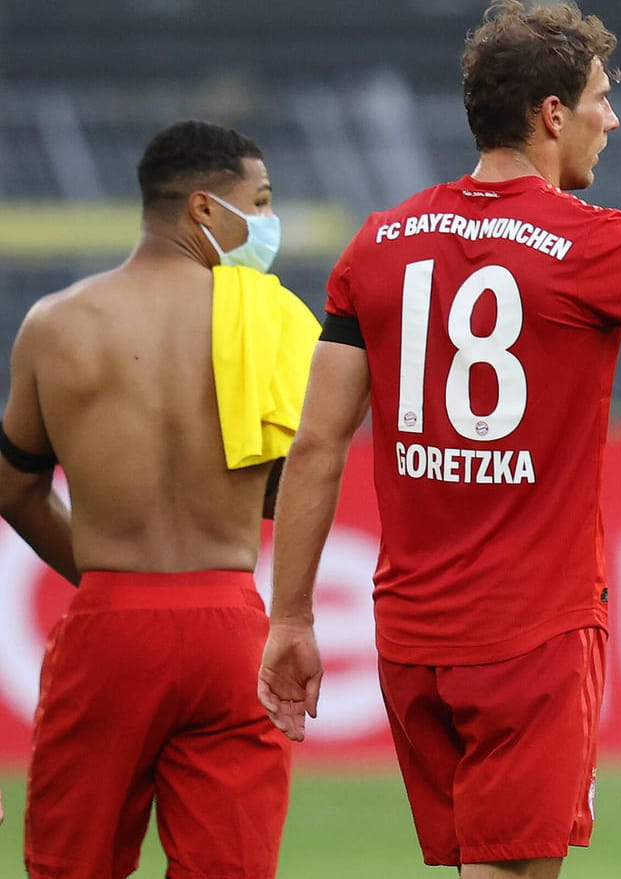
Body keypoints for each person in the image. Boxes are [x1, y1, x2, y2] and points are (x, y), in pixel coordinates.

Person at [255, 3, 621, 878]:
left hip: (411, 642)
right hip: (531, 638)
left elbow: (316, 444)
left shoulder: (377, 243)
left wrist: (292, 615)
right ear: (552, 114)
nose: (614, 117)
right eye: (602, 97)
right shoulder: (596, 242)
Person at [0, 119, 316, 878]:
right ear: (204, 209)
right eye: (261, 201)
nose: (270, 222)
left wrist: (115, 585)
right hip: (234, 628)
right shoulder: (273, 325)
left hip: (109, 621)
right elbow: (297, 483)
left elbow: (15, 490)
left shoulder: (56, 324)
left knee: (71, 865)